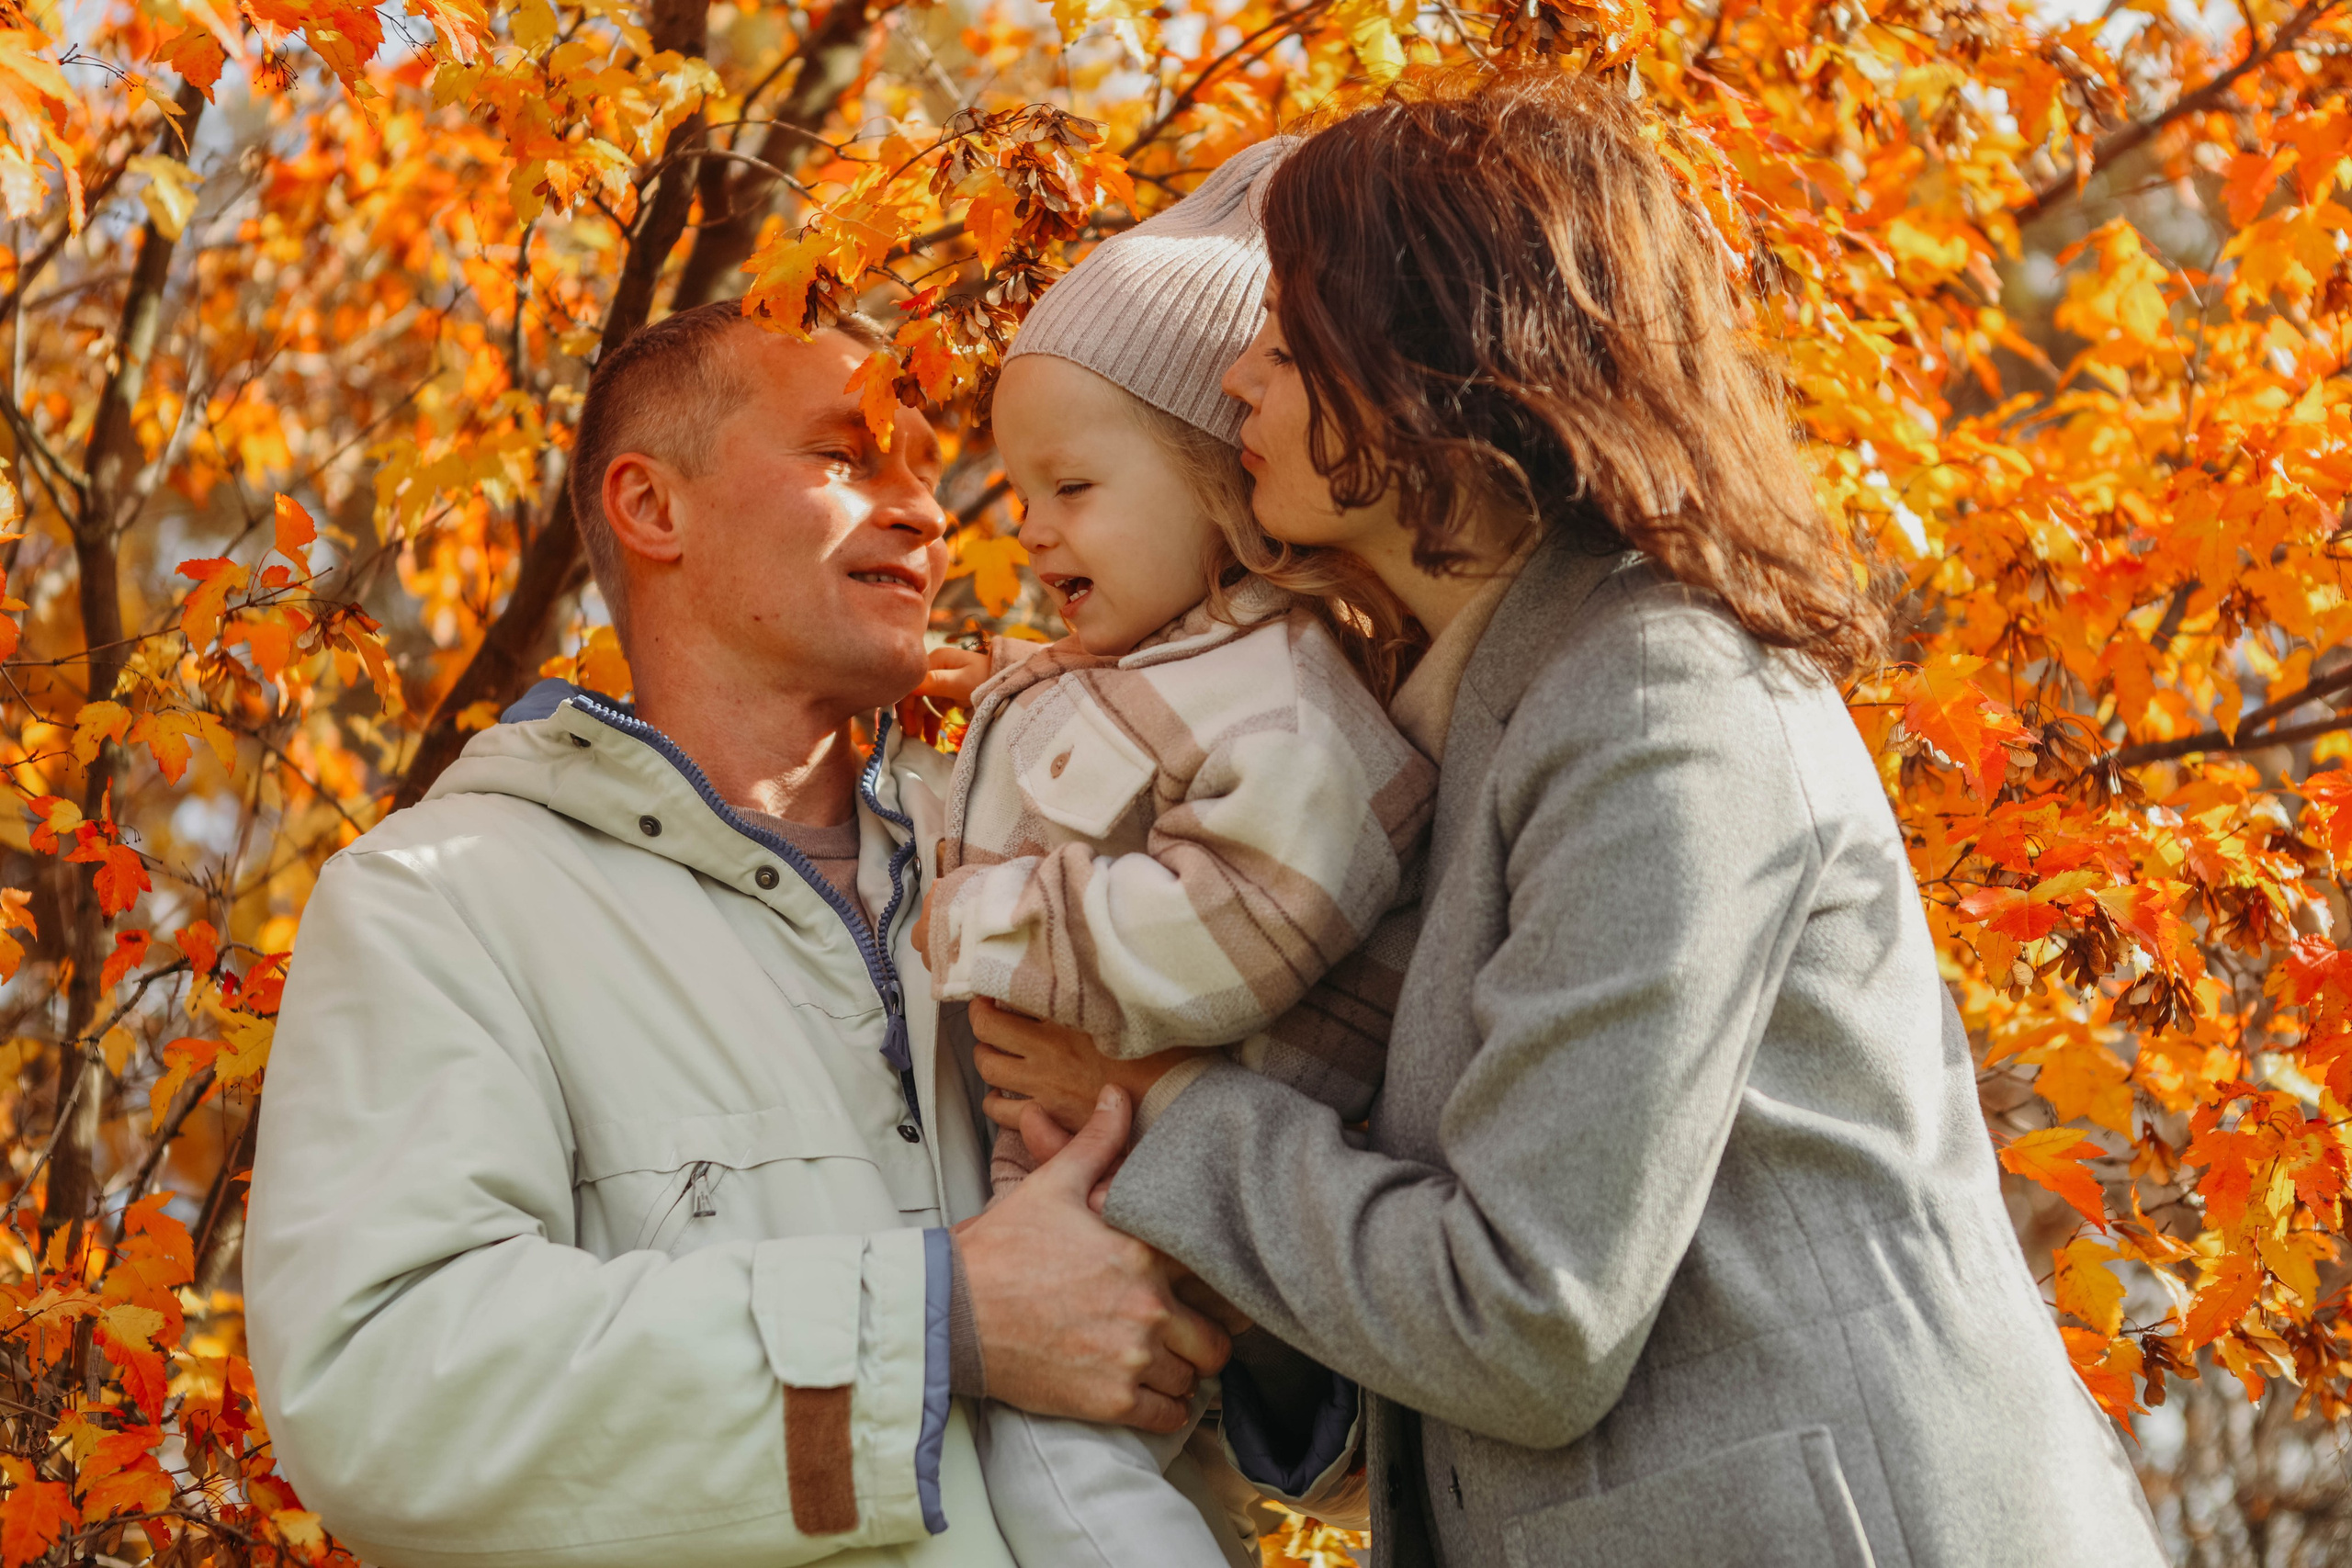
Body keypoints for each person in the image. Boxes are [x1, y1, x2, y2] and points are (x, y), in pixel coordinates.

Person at [967, 72, 2169, 1568]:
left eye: (1283, 341)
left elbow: (1532, 1318)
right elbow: (1451, 1358)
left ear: (1432, 365)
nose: (1237, 386)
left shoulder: (1658, 701)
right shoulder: (1436, 732)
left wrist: (1163, 1104)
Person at [243, 302, 1231, 1568]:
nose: (929, 515)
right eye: (847, 456)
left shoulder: (1057, 868)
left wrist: (1257, 1354)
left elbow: (1353, 1409)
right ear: (653, 509)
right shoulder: (442, 898)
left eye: (929, 473)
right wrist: (942, 1323)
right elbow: (389, 1397)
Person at [905, 142, 1426, 1568]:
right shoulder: (1157, 663)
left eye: (1072, 486)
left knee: (1072, 1489)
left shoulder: (1292, 693)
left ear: (1219, 478)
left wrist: (989, 923)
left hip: (1172, 1207)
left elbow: (1253, 913)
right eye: (1021, 494)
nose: (1032, 529)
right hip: (1083, 1189)